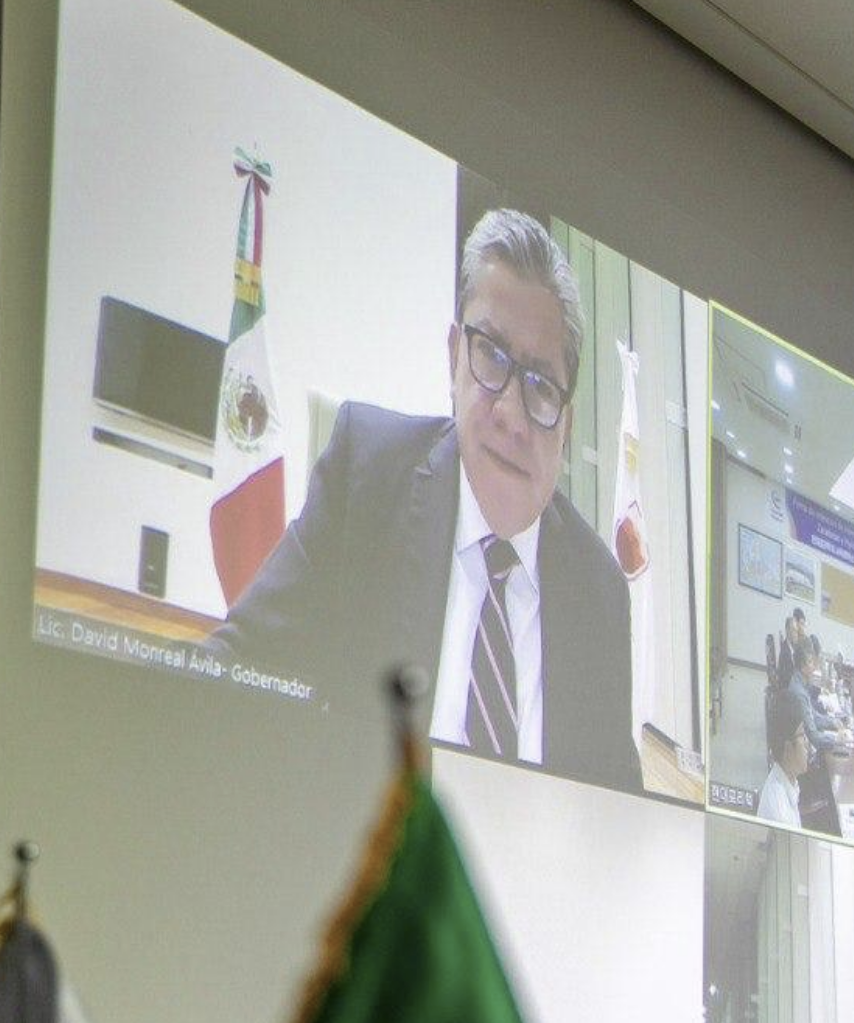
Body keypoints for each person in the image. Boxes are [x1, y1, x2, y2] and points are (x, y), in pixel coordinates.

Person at [204, 209, 642, 796]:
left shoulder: (599, 590)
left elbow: (619, 798)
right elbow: (238, 663)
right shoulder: (367, 478)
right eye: (491, 356)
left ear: (567, 424)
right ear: (454, 355)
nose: (511, 414)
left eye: (541, 385)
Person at [756, 686, 810, 827]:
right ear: (788, 747)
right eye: (802, 735)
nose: (807, 743)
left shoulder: (786, 780)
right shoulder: (780, 817)